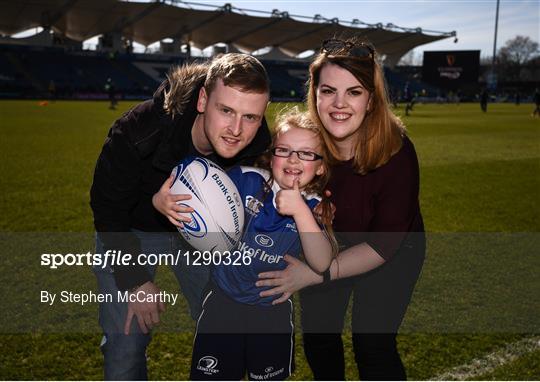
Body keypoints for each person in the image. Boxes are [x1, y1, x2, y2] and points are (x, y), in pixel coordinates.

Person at [90, 53, 271, 380]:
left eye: (250, 117)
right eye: (225, 110)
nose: (236, 129)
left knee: (226, 328)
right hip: (131, 231)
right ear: (203, 99)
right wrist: (135, 280)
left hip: (204, 240)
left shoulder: (257, 142)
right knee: (125, 347)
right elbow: (108, 210)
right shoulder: (140, 130)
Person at [256, 37, 426, 380]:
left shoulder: (397, 154)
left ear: (372, 99)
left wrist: (315, 273)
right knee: (319, 340)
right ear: (314, 93)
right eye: (328, 90)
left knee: (372, 344)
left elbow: (382, 246)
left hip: (390, 249)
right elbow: (253, 160)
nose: (338, 104)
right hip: (330, 241)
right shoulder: (307, 142)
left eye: (354, 92)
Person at [183, 110, 337, 380]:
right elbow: (198, 187)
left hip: (271, 312)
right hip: (222, 303)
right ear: (271, 154)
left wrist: (300, 210)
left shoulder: (315, 206)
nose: (293, 159)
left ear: (321, 166)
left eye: (306, 153)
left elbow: (322, 261)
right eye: (284, 150)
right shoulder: (245, 179)